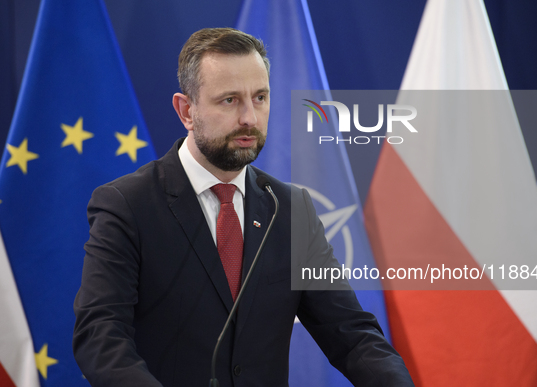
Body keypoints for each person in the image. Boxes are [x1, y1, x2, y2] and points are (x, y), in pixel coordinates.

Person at [73, 27, 414, 387]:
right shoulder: (128, 205)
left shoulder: (290, 209)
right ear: (186, 111)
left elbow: (352, 335)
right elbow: (100, 337)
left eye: (261, 97)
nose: (250, 117)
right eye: (230, 100)